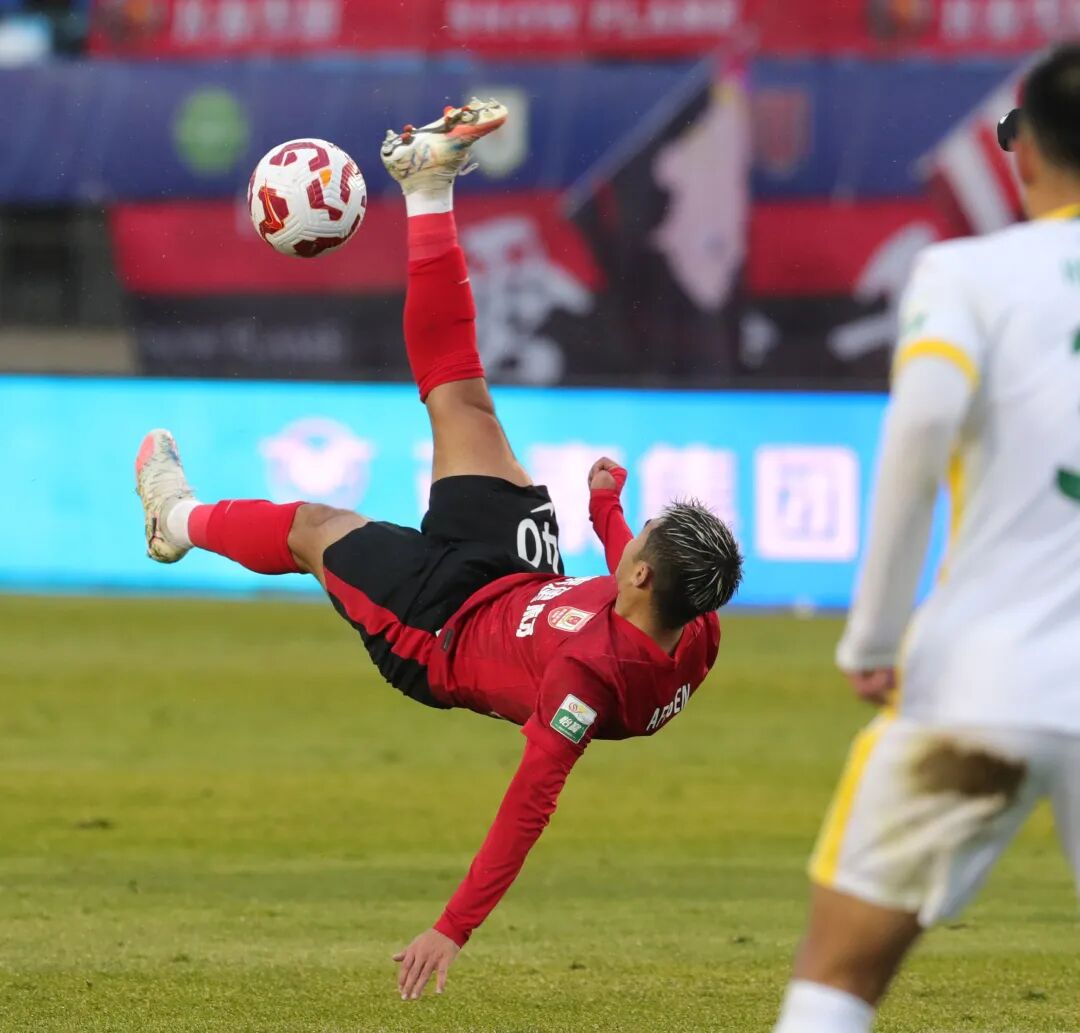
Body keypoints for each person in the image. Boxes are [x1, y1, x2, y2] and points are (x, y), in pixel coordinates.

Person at [135, 99, 743, 1002]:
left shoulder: (584, 684)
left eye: (640, 537)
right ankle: (428, 184)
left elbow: (528, 807)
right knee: (461, 394)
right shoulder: (695, 623)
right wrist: (607, 510)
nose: (634, 539)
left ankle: (174, 520)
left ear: (643, 574)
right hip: (519, 578)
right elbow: (639, 579)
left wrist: (452, 926)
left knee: (313, 527)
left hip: (442, 629)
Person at [773, 45, 1080, 1033]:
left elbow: (924, 422)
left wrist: (873, 635)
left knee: (838, 977)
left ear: (1028, 150)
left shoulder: (968, 273)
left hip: (985, 682)